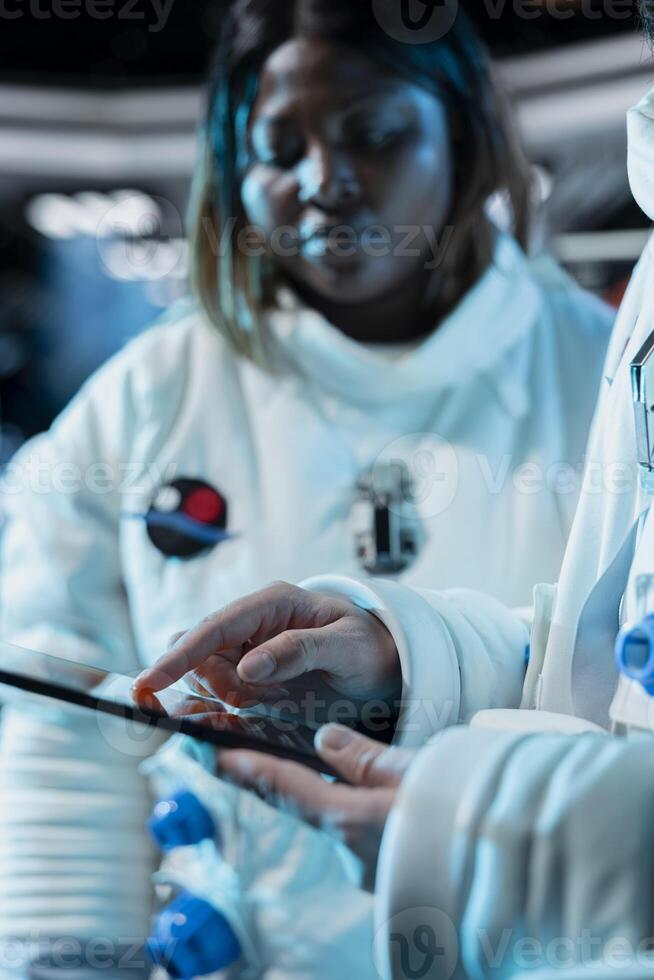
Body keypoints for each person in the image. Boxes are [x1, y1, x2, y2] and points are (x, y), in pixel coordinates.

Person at [0, 0, 613, 972]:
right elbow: (60, 732)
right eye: (279, 149)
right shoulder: (144, 398)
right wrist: (65, 961)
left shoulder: (607, 380)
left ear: (463, 140)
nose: (324, 184)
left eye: (372, 134)